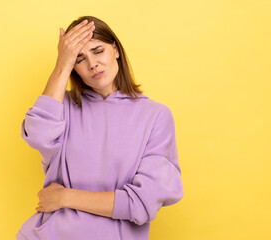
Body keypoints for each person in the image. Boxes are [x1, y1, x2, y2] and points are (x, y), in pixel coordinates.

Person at [16, 15, 184, 240]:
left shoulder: (155, 116)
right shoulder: (62, 107)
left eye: (97, 51)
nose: (92, 64)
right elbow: (37, 135)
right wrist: (61, 65)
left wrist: (65, 198)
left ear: (115, 49)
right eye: (79, 59)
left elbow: (141, 204)